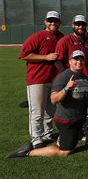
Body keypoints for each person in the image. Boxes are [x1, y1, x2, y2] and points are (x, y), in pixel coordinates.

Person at [7, 50, 88, 158]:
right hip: (67, 120)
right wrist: (66, 88)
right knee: (64, 152)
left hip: (79, 118)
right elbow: (54, 99)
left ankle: (66, 136)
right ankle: (27, 152)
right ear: (69, 61)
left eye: (81, 59)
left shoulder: (83, 76)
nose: (79, 62)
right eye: (76, 59)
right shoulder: (63, 77)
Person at [17, 11, 64, 149]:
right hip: (37, 79)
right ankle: (36, 138)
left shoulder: (61, 37)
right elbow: (24, 55)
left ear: (60, 22)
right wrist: (45, 57)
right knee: (37, 111)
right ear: (45, 22)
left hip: (55, 79)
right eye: (50, 20)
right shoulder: (37, 36)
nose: (53, 23)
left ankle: (47, 134)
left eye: (55, 21)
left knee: (50, 110)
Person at [55, 14, 88, 80]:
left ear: (86, 26)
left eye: (83, 24)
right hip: (70, 80)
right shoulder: (64, 40)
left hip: (85, 78)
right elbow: (57, 61)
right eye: (78, 24)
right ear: (73, 25)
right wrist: (66, 76)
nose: (80, 27)